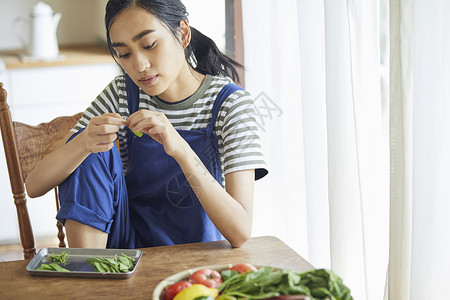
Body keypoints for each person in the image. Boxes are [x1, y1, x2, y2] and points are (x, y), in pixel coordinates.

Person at [25, 0, 267, 249]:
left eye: (149, 45)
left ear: (183, 34)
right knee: (90, 148)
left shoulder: (229, 104)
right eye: (125, 54)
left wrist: (180, 149)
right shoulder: (122, 94)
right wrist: (83, 143)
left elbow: (240, 232)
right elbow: (33, 187)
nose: (139, 66)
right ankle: (90, 274)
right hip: (125, 254)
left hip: (198, 256)